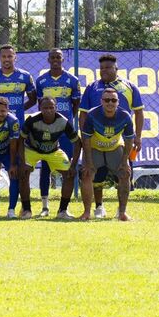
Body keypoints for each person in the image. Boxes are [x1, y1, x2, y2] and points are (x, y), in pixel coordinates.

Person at [79, 53, 144, 219]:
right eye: (101, 68)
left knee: (124, 172)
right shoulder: (92, 87)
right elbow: (83, 115)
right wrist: (84, 135)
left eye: (108, 67)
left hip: (117, 140)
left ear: (116, 68)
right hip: (94, 140)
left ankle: (121, 212)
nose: (104, 71)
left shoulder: (129, 86)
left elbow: (138, 112)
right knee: (92, 174)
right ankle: (97, 208)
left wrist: (138, 136)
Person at [0, 45, 36, 215]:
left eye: (10, 56)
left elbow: (33, 99)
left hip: (17, 129)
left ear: (15, 57)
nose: (7, 59)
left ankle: (18, 207)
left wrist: (18, 110)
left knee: (16, 167)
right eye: (3, 57)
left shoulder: (25, 77)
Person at [34, 48, 81, 215]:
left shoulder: (72, 80)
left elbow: (75, 104)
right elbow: (41, 105)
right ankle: (45, 207)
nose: (55, 60)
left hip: (64, 129)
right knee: (45, 166)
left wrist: (65, 120)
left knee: (67, 167)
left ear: (63, 59)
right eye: (52, 57)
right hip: (47, 130)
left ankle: (63, 209)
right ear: (48, 60)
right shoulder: (41, 81)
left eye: (58, 57)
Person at [19, 97, 81, 219]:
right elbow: (20, 140)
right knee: (23, 172)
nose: (48, 110)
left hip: (53, 150)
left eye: (51, 107)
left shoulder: (63, 121)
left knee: (69, 174)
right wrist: (21, 162)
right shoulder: (31, 120)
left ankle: (63, 211)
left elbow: (77, 142)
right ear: (40, 108)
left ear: (56, 108)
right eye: (45, 108)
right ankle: (26, 210)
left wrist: (73, 164)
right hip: (32, 150)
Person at [80, 88, 135, 221]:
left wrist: (124, 161)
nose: (110, 103)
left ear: (118, 102)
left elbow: (129, 140)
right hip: (95, 148)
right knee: (87, 174)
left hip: (115, 148)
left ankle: (122, 213)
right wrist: (88, 162)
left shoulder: (125, 116)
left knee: (125, 173)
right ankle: (87, 212)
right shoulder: (92, 114)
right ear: (101, 101)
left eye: (113, 100)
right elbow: (85, 139)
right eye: (106, 100)